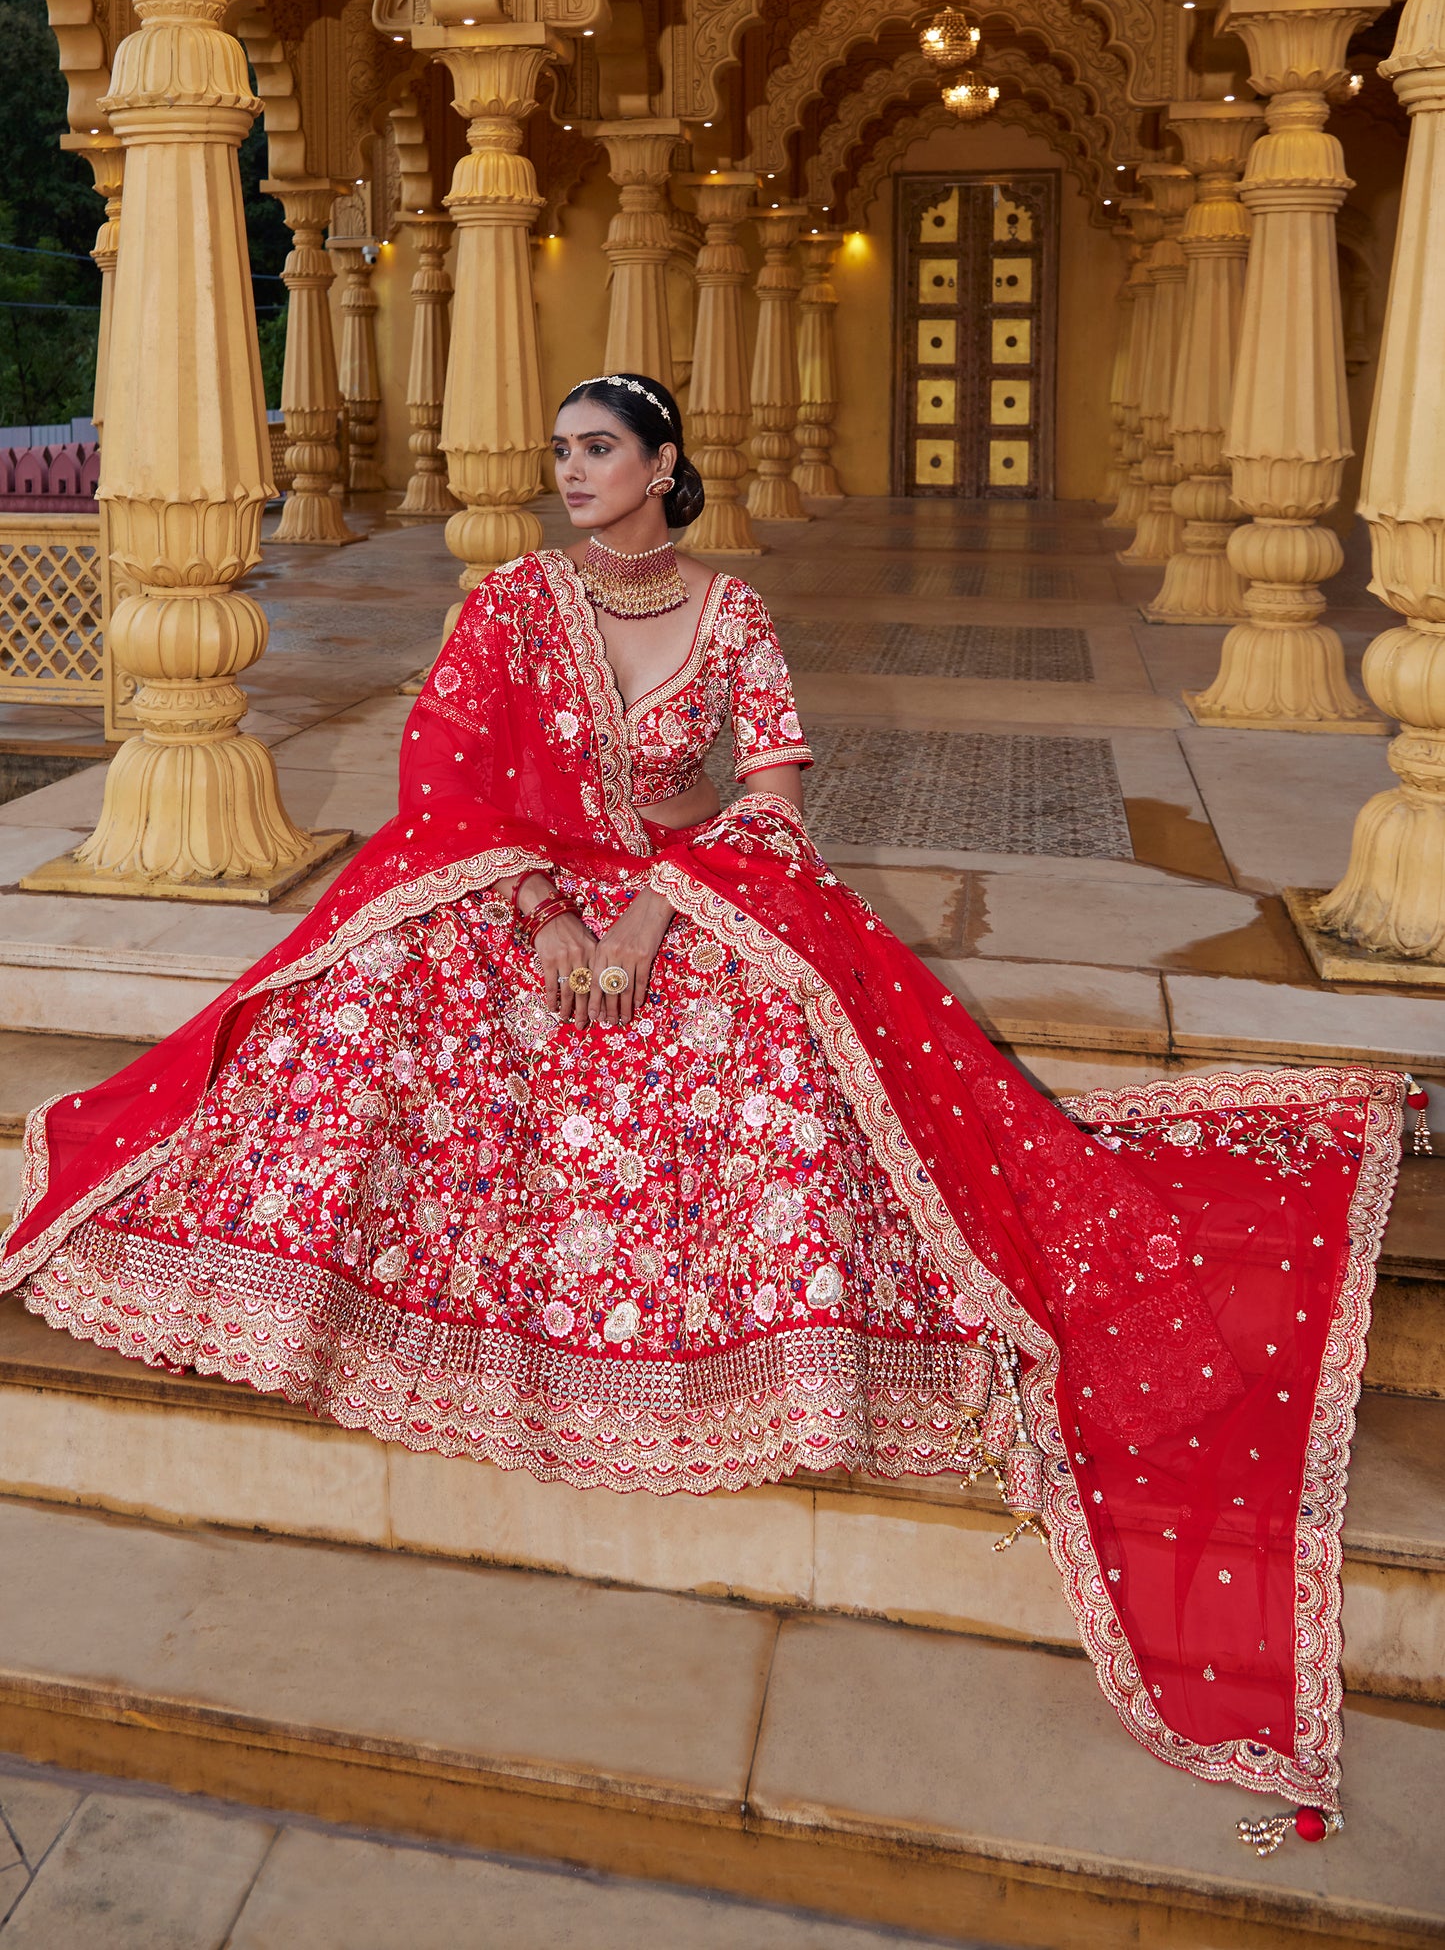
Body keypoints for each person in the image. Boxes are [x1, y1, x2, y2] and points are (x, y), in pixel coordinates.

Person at [0, 372, 1415, 1847]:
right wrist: (546, 907)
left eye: (598, 450)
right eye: (560, 451)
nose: (572, 473)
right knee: (391, 986)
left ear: (664, 464)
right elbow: (446, 777)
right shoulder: (506, 602)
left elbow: (776, 792)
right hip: (516, 880)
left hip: (676, 894)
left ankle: (771, 1342)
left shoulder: (731, 615)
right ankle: (320, 1288)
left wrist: (655, 917)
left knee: (758, 1012)